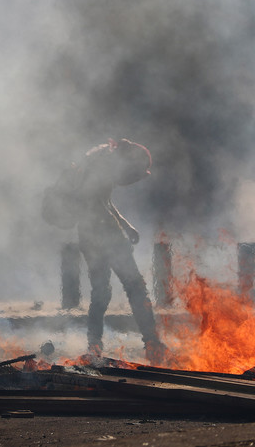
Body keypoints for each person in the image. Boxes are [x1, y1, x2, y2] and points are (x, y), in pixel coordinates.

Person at [75, 138, 167, 365]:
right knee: (135, 287)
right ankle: (153, 343)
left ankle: (94, 346)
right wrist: (116, 231)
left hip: (89, 234)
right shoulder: (102, 165)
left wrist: (125, 225)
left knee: (101, 292)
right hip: (102, 235)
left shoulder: (100, 162)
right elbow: (93, 201)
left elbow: (103, 200)